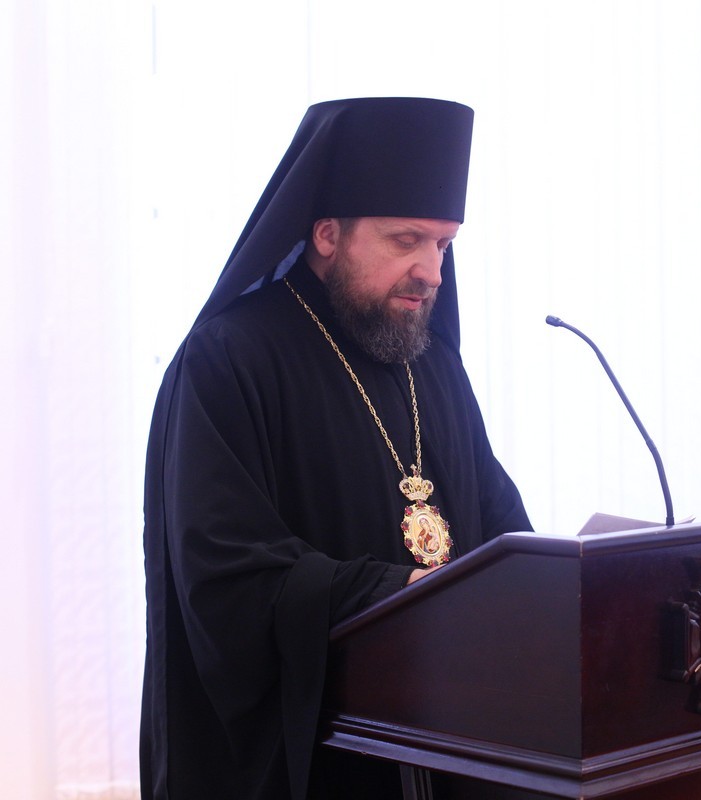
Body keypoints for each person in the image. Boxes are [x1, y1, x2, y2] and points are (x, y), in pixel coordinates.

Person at [140, 98, 533, 799]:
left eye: (443, 245)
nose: (432, 272)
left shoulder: (432, 363)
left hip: (447, 741)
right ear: (327, 234)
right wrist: (399, 595)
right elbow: (226, 579)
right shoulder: (228, 361)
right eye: (406, 240)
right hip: (316, 761)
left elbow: (498, 522)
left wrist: (549, 581)